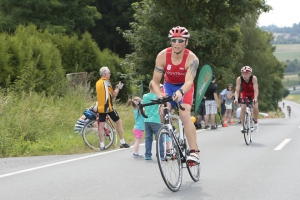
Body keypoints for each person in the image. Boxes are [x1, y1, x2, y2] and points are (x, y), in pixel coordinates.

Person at [151, 26, 200, 164]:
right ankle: (173, 135)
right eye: (174, 40)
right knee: (163, 111)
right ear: (170, 41)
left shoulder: (192, 58)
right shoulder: (162, 56)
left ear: (186, 42)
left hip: (185, 87)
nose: (177, 43)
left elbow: (189, 81)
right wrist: (159, 94)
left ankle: (194, 151)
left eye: (180, 40)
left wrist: (181, 92)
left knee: (184, 115)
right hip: (169, 86)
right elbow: (154, 82)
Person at [96, 66, 130, 150]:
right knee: (119, 122)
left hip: (100, 107)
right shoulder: (106, 82)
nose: (110, 74)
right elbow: (114, 94)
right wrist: (118, 88)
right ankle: (122, 142)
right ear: (105, 74)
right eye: (109, 73)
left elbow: (105, 94)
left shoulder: (97, 83)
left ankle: (102, 145)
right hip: (108, 107)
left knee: (101, 125)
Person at [234, 66, 259, 132]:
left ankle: (256, 121)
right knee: (243, 107)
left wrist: (255, 98)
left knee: (255, 106)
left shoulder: (253, 78)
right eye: (243, 74)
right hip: (244, 93)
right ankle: (242, 126)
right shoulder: (239, 79)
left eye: (246, 74)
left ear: (250, 74)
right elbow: (237, 91)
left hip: (252, 93)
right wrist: (236, 99)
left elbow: (256, 90)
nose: (245, 76)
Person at [143, 81, 163, 160]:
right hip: (155, 119)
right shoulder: (157, 96)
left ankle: (148, 155)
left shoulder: (145, 96)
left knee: (148, 138)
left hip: (146, 119)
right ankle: (161, 155)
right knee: (159, 138)